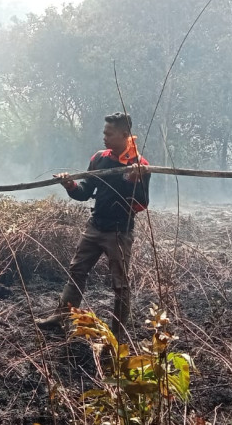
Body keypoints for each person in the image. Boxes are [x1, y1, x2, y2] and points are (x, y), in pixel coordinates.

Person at [36, 112, 150, 340]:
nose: (104, 137)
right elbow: (85, 192)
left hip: (119, 232)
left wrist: (133, 181)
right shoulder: (99, 158)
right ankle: (62, 317)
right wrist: (70, 185)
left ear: (126, 135)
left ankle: (118, 333)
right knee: (77, 270)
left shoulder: (140, 165)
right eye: (104, 133)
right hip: (95, 226)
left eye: (109, 134)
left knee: (120, 283)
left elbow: (141, 204)